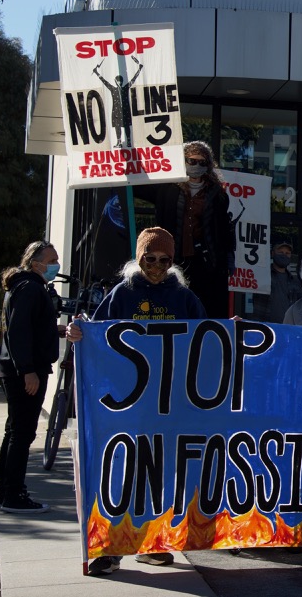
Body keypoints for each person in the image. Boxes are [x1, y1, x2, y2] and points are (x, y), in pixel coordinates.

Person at [67, 226, 204, 575]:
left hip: (170, 404)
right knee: (121, 476)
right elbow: (95, 336)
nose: (157, 265)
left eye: (164, 259)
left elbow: (208, 340)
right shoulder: (121, 294)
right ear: (138, 257)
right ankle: (110, 547)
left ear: (173, 261)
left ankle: (153, 544)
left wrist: (230, 332)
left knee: (161, 477)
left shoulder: (184, 298)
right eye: (150, 258)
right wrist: (77, 333)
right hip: (128, 406)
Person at [0, 240, 62, 514]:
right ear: (36, 263)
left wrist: (53, 330)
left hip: (18, 368)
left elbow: (28, 327)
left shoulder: (24, 287)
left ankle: (6, 491)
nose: (56, 265)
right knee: (21, 433)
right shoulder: (30, 288)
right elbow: (19, 331)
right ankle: (13, 494)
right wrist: (28, 371)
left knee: (15, 431)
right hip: (24, 371)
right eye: (52, 260)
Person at [136, 141, 235, 318]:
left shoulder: (217, 194)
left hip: (206, 261)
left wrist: (228, 259)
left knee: (205, 307)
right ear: (183, 162)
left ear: (209, 165)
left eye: (202, 162)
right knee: (174, 305)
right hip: (174, 259)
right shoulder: (167, 188)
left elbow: (224, 230)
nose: (196, 166)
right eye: (192, 161)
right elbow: (137, 185)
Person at [264, 241, 302, 322]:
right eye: (280, 252)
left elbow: (299, 307)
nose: (284, 255)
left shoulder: (295, 282)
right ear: (272, 254)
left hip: (288, 328)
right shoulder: (263, 276)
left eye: (287, 253)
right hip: (266, 326)